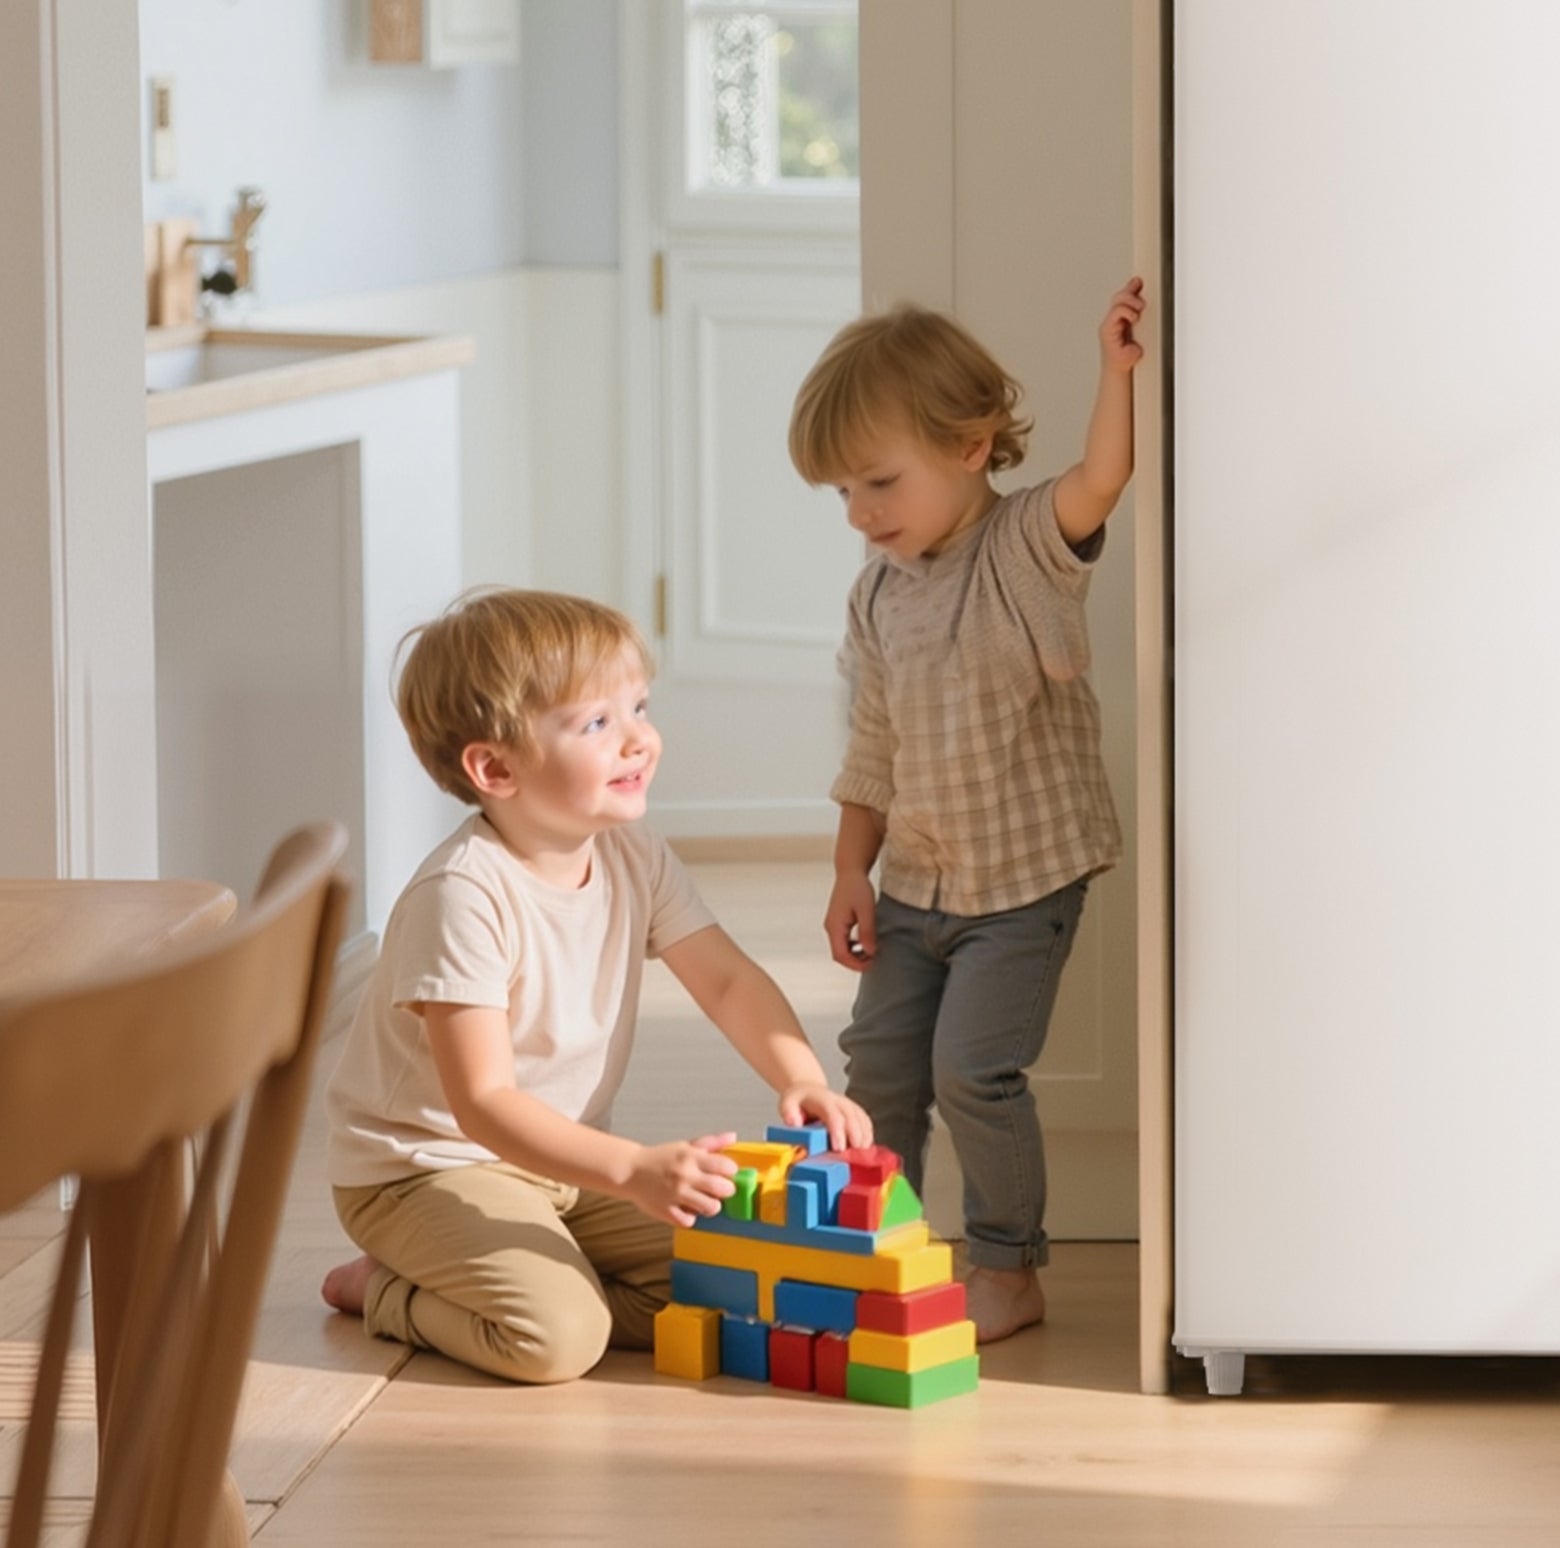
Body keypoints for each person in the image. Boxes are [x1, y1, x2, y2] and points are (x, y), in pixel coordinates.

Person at [320, 588, 871, 1384]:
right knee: (558, 1340)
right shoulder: (461, 895)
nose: (639, 739)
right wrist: (632, 1169)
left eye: (638, 707)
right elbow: (484, 1103)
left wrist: (803, 1079)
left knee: (743, 1280)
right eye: (597, 724)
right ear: (495, 767)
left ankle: (529, 1273)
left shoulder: (633, 854)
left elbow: (725, 981)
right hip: (426, 1171)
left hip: (560, 1165)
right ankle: (385, 1289)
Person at [787, 279, 1145, 1344]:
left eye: (879, 482)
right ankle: (879, 1251)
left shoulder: (1024, 543)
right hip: (915, 883)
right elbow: (874, 750)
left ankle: (1007, 1266)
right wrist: (849, 871)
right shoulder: (877, 595)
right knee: (880, 1069)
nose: (861, 513)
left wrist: (1115, 371)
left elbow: (1103, 478)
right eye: (843, 493)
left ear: (971, 445)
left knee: (973, 1071)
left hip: (1021, 885)